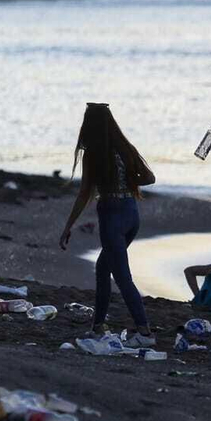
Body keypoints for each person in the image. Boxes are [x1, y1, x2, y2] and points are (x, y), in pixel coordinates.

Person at [58, 102, 157, 345]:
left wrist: (68, 225)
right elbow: (149, 178)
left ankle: (144, 333)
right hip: (131, 214)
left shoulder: (93, 154)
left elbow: (84, 194)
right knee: (103, 268)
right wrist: (126, 179)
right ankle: (98, 326)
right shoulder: (124, 147)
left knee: (123, 277)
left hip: (112, 216)